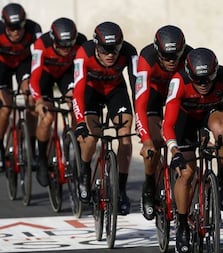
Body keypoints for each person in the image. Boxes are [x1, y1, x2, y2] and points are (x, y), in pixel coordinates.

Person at [162, 47, 223, 253]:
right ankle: (182, 225)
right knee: (187, 173)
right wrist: (174, 151)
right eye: (197, 80)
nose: (202, 85)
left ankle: (220, 180)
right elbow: (168, 124)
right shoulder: (179, 80)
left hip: (212, 112)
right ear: (189, 74)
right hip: (185, 118)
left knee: (221, 130)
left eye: (207, 80)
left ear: (215, 72)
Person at [72, 21, 138, 216]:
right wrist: (81, 121)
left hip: (115, 91)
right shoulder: (83, 52)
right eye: (105, 50)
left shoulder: (129, 51)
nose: (111, 54)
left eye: (115, 49)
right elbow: (78, 90)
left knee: (125, 137)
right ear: (96, 46)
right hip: (90, 92)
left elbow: (137, 88)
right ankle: (84, 175)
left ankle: (121, 190)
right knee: (92, 136)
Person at [135, 25, 193, 221]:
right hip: (154, 97)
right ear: (157, 51)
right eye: (166, 56)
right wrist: (146, 138)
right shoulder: (146, 57)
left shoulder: (190, 57)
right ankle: (150, 184)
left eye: (175, 56)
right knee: (153, 145)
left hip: (179, 99)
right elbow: (140, 103)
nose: (170, 61)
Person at [29, 17, 87, 187]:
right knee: (47, 117)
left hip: (66, 74)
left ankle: (76, 149)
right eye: (61, 45)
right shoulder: (42, 43)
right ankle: (41, 160)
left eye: (69, 45)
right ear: (53, 40)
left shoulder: (81, 42)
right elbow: (34, 78)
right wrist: (39, 101)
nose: (66, 49)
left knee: (74, 101)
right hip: (45, 75)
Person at [0, 3, 41, 170]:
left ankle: (31, 146)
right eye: (11, 27)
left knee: (30, 99)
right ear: (5, 24)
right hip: (2, 64)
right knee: (6, 107)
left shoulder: (34, 28)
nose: (16, 31)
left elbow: (40, 54)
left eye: (19, 27)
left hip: (23, 63)